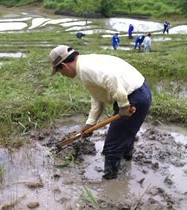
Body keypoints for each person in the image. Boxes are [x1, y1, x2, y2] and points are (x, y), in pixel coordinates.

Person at [48, 45, 152, 180]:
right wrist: (90, 123)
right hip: (140, 92)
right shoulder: (85, 63)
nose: (63, 75)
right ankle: (127, 160)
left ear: (63, 66)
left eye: (60, 72)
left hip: (133, 97)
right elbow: (98, 97)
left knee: (112, 147)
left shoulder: (86, 69)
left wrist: (123, 105)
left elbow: (110, 78)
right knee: (126, 133)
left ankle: (110, 184)